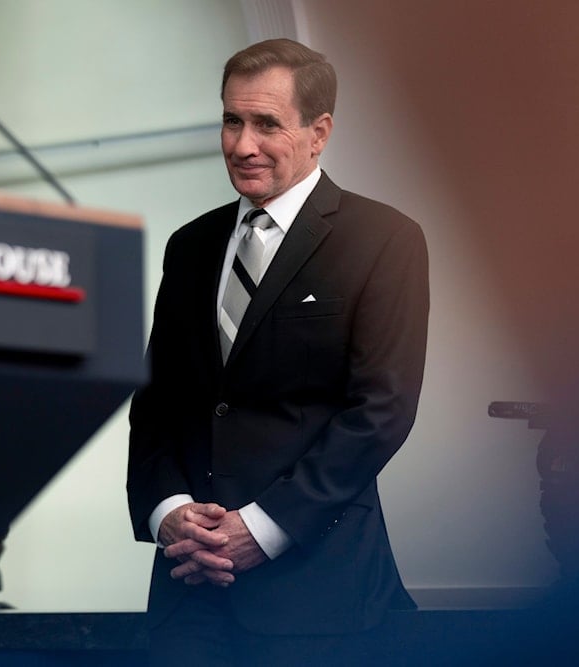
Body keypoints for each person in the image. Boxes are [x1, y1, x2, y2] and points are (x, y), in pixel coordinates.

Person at [127, 38, 429, 666]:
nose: (242, 145)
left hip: (319, 599)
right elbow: (157, 402)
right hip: (190, 597)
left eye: (266, 123)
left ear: (319, 133)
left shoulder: (384, 239)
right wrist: (169, 513)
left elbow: (381, 410)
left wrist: (262, 529)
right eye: (231, 120)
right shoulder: (190, 245)